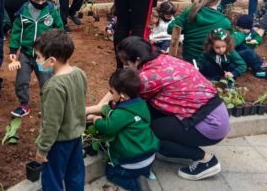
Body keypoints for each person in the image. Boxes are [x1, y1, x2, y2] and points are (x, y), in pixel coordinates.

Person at [87, 37, 230, 181]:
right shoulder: (162, 58)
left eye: (126, 64)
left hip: (210, 124)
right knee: (149, 115)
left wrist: (89, 112)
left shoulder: (146, 78)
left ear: (137, 60)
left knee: (151, 133)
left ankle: (206, 160)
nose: (125, 68)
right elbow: (119, 87)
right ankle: (174, 149)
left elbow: (119, 92)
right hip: (215, 112)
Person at [87, 68, 159, 191]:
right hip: (150, 156)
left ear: (123, 96)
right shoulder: (142, 105)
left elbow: (107, 128)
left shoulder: (120, 114)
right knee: (141, 166)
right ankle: (145, 173)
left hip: (132, 162)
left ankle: (137, 185)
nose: (110, 94)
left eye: (112, 91)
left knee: (111, 172)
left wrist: (95, 119)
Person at [34, 29, 87, 191]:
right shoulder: (79, 73)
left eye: (38, 57)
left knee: (52, 178)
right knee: (75, 173)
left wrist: (42, 150)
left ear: (51, 61)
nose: (36, 60)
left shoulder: (53, 86)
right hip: (76, 137)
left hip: (58, 143)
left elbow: (51, 125)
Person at [9, 0, 64, 117]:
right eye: (37, 0)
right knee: (21, 80)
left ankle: (47, 107)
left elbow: (60, 29)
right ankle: (23, 104)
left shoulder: (51, 10)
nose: (41, 3)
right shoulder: (23, 11)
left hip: (44, 56)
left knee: (46, 82)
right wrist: (13, 49)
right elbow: (16, 31)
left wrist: (59, 47)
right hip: (26, 54)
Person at [168, 0, 232, 63]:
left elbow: (171, 29)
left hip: (189, 59)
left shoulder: (191, 10)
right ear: (219, 1)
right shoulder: (224, 22)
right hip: (211, 63)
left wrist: (187, 28)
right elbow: (231, 42)